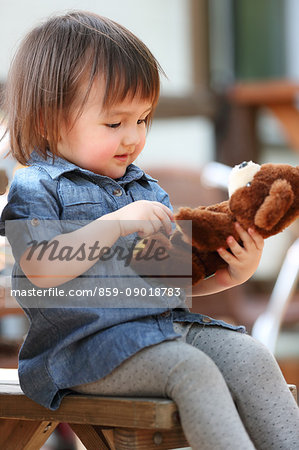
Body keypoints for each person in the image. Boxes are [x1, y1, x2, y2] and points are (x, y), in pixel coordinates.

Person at [1, 11, 298, 450]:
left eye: (142, 119)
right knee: (190, 369)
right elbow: (39, 270)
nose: (133, 137)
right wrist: (116, 223)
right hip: (84, 351)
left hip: (162, 329)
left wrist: (231, 274)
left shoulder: (144, 189)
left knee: (250, 354)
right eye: (114, 122)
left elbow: (166, 280)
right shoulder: (37, 186)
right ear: (48, 120)